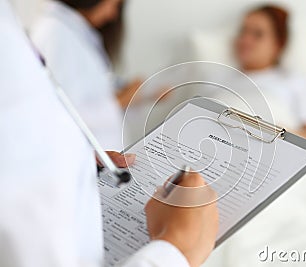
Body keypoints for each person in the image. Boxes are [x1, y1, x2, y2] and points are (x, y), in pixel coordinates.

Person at [0, 1, 218, 267]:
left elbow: (39, 126)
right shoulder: (52, 31)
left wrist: (76, 158)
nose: (113, 13)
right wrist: (176, 249)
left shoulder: (40, 31)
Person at [30, 0, 143, 149]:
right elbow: (64, 115)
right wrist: (121, 100)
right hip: (85, 159)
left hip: (103, 158)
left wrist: (136, 96)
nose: (112, 14)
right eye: (113, 4)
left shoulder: (72, 30)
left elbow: (89, 93)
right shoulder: (55, 34)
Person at [234, 5, 306, 147]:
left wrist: (271, 131)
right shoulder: (217, 79)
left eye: (257, 34)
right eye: (243, 31)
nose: (245, 40)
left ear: (278, 44)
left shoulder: (295, 83)